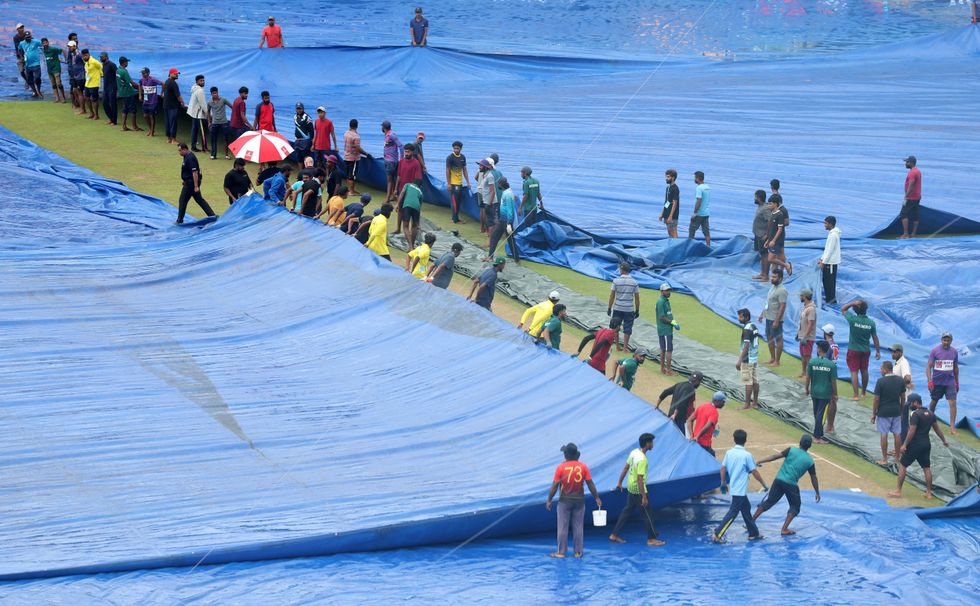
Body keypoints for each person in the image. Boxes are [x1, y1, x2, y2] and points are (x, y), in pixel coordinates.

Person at [753, 435, 821, 536]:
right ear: (810, 446)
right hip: (791, 484)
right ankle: (784, 529)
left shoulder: (791, 450)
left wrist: (760, 461)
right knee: (795, 506)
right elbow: (813, 478)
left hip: (778, 480)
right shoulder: (810, 461)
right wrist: (817, 492)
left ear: (799, 442)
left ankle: (751, 520)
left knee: (769, 501)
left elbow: (774, 457)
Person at [546, 442, 601, 559]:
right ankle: (578, 552)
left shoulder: (560, 467)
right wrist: (596, 497)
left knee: (562, 527)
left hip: (564, 501)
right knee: (578, 527)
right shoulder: (583, 467)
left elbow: (555, 485)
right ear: (576, 454)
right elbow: (590, 483)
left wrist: (549, 499)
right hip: (579, 501)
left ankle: (561, 552)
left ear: (566, 455)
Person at [608, 433, 665, 546]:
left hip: (631, 488)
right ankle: (651, 539)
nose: (653, 444)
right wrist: (643, 496)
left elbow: (626, 467)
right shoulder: (642, 460)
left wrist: (619, 482)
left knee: (627, 511)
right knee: (647, 513)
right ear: (647, 444)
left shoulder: (634, 452)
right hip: (639, 490)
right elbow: (640, 478)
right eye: (651, 442)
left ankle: (614, 534)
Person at [889, 393, 949, 500]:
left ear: (916, 403)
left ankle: (898, 491)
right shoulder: (930, 413)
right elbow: (937, 429)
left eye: (910, 403)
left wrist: (904, 444)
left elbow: (912, 430)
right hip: (926, 444)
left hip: (914, 445)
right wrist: (944, 440)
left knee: (903, 465)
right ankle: (929, 493)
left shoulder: (915, 414)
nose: (909, 405)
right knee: (926, 468)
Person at [712, 429, 768, 544]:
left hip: (735, 487)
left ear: (734, 439)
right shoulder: (747, 455)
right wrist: (764, 484)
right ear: (745, 440)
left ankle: (753, 533)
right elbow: (754, 472)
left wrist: (723, 483)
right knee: (733, 513)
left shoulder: (729, 453)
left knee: (746, 510)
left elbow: (723, 468)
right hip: (739, 490)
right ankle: (718, 533)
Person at [841, 299, 881, 400]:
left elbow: (843, 309)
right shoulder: (871, 323)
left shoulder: (853, 319)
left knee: (854, 371)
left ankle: (855, 395)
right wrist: (878, 351)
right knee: (864, 370)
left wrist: (852, 303)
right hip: (865, 350)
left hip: (853, 350)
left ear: (855, 310)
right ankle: (863, 392)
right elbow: (875, 337)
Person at [873, 360, 906, 465]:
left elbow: (876, 399)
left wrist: (874, 413)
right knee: (897, 434)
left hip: (883, 412)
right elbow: (903, 397)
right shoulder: (900, 380)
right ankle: (897, 458)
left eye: (881, 369)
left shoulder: (880, 381)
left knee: (884, 434)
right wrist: (901, 410)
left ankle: (884, 459)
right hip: (896, 411)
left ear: (886, 369)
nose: (880, 370)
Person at [927, 331, 959, 434]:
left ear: (951, 341)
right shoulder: (935, 351)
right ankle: (929, 421)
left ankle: (952, 427)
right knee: (934, 402)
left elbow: (955, 367)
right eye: (944, 340)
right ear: (941, 340)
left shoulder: (954, 352)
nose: (946, 342)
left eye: (948, 340)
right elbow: (928, 367)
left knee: (953, 402)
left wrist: (957, 382)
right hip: (937, 382)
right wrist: (930, 381)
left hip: (950, 382)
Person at [806, 341, 838, 442]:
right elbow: (833, 381)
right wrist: (835, 393)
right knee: (821, 414)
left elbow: (808, 377)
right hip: (825, 394)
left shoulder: (812, 362)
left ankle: (818, 434)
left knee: (817, 413)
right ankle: (817, 437)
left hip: (814, 392)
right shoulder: (831, 365)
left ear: (819, 349)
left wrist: (806, 388)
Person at [176, 143, 216, 224]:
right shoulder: (186, 157)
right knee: (199, 200)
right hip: (189, 182)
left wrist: (196, 186)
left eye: (180, 150)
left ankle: (179, 220)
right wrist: (184, 179)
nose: (179, 152)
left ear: (185, 149)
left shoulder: (190, 158)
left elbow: (195, 172)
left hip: (191, 184)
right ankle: (212, 215)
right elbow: (188, 171)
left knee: (182, 200)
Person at [486, 177, 520, 263]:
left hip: (506, 221)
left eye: (498, 184)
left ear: (501, 184)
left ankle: (516, 259)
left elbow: (510, 209)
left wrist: (509, 223)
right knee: (494, 236)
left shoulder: (507, 194)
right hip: (502, 220)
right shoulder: (507, 192)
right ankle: (490, 256)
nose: (497, 185)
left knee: (511, 240)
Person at [608, 262, 640, 351]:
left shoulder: (616, 281)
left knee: (615, 326)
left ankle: (617, 346)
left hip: (617, 307)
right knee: (628, 328)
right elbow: (637, 298)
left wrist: (609, 308)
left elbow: (612, 296)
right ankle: (625, 348)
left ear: (621, 270)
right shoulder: (634, 282)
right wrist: (637, 310)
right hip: (629, 309)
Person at [759, 269, 788, 367]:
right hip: (768, 318)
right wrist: (762, 313)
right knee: (769, 338)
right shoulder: (772, 287)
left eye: (774, 277)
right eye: (772, 276)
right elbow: (768, 302)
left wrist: (777, 321)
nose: (772, 278)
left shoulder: (782, 290)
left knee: (778, 339)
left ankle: (777, 361)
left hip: (776, 319)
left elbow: (782, 306)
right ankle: (772, 358)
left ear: (780, 278)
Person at [736, 308, 761, 410]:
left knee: (748, 381)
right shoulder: (753, 326)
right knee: (755, 380)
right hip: (754, 357)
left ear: (746, 317)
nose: (739, 318)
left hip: (748, 358)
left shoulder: (746, 329)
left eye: (741, 316)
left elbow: (746, 345)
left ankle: (746, 405)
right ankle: (754, 403)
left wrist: (739, 360)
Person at [763, 194, 792, 276]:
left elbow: (780, 229)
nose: (768, 205)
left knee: (771, 258)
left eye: (770, 204)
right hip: (772, 239)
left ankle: (786, 265)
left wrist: (773, 240)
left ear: (775, 204)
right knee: (777, 256)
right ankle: (777, 274)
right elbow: (772, 229)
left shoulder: (780, 214)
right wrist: (768, 240)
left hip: (776, 241)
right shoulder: (773, 213)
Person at [690, 392, 726, 457]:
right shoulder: (714, 412)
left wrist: (692, 436)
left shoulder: (702, 406)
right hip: (704, 443)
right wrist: (697, 437)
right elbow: (708, 425)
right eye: (723, 402)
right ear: (717, 401)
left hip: (696, 441)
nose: (724, 404)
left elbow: (689, 420)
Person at [343, 119, 371, 196]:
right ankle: (351, 191)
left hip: (346, 156)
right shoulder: (356, 136)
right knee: (352, 175)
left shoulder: (346, 133)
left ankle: (349, 190)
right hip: (353, 158)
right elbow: (357, 148)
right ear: (357, 126)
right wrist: (366, 154)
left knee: (348, 174)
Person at [818, 216, 840, 304]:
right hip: (828, 262)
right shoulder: (832, 234)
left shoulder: (833, 235)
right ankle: (829, 299)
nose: (824, 225)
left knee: (829, 283)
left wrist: (824, 262)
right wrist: (822, 259)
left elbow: (830, 251)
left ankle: (831, 300)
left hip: (830, 263)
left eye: (826, 223)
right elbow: (826, 250)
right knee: (826, 281)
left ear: (830, 224)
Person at [397, 178, 424, 250]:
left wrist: (397, 204)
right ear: (420, 186)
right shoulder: (421, 192)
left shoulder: (408, 185)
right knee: (415, 226)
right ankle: (412, 244)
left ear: (413, 182)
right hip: (416, 208)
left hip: (407, 205)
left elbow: (402, 193)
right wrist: (418, 223)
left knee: (405, 227)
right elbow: (419, 206)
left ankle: (410, 246)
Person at [445, 141, 469, 224]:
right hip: (453, 183)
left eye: (457, 148)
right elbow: (447, 170)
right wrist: (448, 183)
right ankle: (455, 220)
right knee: (454, 201)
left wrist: (468, 182)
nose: (456, 150)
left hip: (460, 183)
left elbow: (464, 170)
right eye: (454, 148)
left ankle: (455, 218)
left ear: (461, 149)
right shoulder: (450, 158)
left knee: (458, 201)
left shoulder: (463, 157)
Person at [751, 189, 772, 280]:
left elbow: (769, 221)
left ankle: (766, 275)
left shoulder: (765, 208)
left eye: (755, 197)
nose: (754, 198)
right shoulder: (760, 207)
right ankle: (762, 273)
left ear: (759, 198)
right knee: (761, 255)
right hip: (758, 234)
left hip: (762, 235)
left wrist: (767, 235)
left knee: (765, 255)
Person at [206, 86, 232, 159]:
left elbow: (232, 106)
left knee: (225, 139)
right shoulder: (209, 102)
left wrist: (233, 117)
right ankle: (213, 155)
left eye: (216, 93)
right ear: (211, 94)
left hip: (224, 122)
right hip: (214, 123)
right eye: (213, 93)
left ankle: (226, 155)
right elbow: (208, 112)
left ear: (218, 92)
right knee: (213, 139)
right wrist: (209, 122)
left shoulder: (223, 100)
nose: (215, 94)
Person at [656, 283, 676, 375]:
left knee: (664, 349)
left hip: (666, 329)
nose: (668, 292)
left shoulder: (666, 301)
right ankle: (668, 370)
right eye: (666, 290)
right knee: (668, 350)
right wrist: (671, 322)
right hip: (665, 330)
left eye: (669, 290)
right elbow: (662, 317)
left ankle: (663, 368)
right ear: (662, 291)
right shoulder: (661, 302)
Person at [380, 120, 403, 202]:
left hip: (391, 161)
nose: (381, 128)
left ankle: (387, 198)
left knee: (389, 180)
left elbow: (401, 146)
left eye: (382, 127)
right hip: (388, 160)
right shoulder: (387, 135)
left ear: (384, 127)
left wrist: (401, 159)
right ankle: (393, 195)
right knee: (392, 179)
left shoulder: (391, 135)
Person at [797, 287, 817, 379]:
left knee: (807, 355)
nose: (800, 297)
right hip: (802, 336)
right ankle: (803, 372)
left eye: (801, 295)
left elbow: (810, 323)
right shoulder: (805, 307)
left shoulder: (811, 309)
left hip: (808, 337)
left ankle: (809, 374)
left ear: (805, 296)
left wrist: (805, 335)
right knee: (802, 355)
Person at [138, 67, 163, 137]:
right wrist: (140, 95)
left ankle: (152, 131)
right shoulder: (141, 80)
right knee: (145, 116)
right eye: (142, 73)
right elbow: (139, 85)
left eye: (144, 73)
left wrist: (162, 93)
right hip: (145, 101)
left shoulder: (153, 79)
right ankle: (150, 129)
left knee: (152, 116)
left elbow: (163, 83)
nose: (143, 74)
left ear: (148, 73)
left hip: (153, 101)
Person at [186, 74, 208, 152]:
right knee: (202, 131)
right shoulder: (200, 91)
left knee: (194, 130)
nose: (203, 82)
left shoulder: (194, 88)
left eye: (203, 80)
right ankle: (204, 147)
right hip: (198, 114)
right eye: (201, 81)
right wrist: (208, 114)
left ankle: (193, 146)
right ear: (197, 82)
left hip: (194, 113)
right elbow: (203, 104)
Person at [116, 56, 139, 130]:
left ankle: (124, 126)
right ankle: (134, 127)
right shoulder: (124, 71)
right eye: (127, 62)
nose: (127, 63)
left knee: (124, 109)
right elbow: (131, 82)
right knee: (133, 109)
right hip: (128, 92)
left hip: (122, 92)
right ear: (124, 62)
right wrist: (140, 87)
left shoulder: (118, 70)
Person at [689, 171, 711, 246]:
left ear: (698, 178)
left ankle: (689, 246)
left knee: (692, 230)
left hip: (699, 214)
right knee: (706, 232)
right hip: (706, 213)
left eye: (694, 178)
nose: (694, 179)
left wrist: (695, 212)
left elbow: (699, 200)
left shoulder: (699, 188)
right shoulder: (707, 187)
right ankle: (708, 246)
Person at [901, 156, 921, 239]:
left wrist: (906, 196)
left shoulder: (912, 172)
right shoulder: (918, 171)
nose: (906, 164)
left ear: (911, 163)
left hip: (910, 197)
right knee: (915, 215)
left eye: (907, 162)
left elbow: (911, 184)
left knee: (903, 214)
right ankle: (913, 234)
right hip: (917, 197)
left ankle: (905, 234)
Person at [162, 68, 184, 144]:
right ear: (170, 74)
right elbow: (178, 96)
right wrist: (183, 103)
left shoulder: (167, 81)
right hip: (172, 106)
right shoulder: (173, 83)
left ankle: (168, 138)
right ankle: (173, 139)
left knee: (168, 122)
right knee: (173, 122)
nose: (177, 75)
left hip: (166, 105)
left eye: (177, 74)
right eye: (175, 74)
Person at [17, 30, 42, 98]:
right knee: (29, 80)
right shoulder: (22, 43)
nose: (29, 38)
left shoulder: (36, 41)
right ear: (24, 37)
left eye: (29, 37)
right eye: (27, 37)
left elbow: (44, 45)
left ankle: (39, 90)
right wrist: (21, 57)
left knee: (37, 78)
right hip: (28, 65)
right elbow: (19, 49)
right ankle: (35, 92)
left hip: (36, 64)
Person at [41, 38, 66, 103]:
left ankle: (63, 98)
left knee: (59, 84)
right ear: (42, 44)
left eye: (46, 42)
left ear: (48, 43)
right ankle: (57, 99)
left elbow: (63, 50)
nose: (45, 44)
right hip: (49, 70)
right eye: (43, 43)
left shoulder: (52, 49)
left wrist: (66, 59)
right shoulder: (43, 50)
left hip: (56, 68)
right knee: (53, 84)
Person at [81, 49, 102, 120]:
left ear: (88, 55)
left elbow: (101, 67)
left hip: (94, 83)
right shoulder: (86, 63)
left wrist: (101, 75)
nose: (84, 58)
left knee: (94, 99)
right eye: (83, 56)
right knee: (86, 98)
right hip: (87, 83)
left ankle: (96, 115)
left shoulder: (95, 62)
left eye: (85, 56)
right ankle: (91, 113)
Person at [659, 169, 680, 238]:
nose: (666, 178)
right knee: (669, 232)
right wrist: (662, 214)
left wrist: (671, 216)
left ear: (673, 177)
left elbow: (675, 203)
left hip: (673, 215)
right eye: (666, 177)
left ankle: (677, 246)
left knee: (673, 231)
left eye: (668, 177)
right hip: (667, 213)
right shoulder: (668, 188)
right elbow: (667, 202)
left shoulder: (675, 188)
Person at [476, 158, 495, 233]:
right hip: (485, 197)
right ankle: (486, 230)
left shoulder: (488, 175)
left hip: (485, 197)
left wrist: (489, 203)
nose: (479, 167)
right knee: (485, 213)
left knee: (484, 213)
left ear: (485, 167)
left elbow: (492, 191)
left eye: (481, 166)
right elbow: (491, 190)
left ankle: (485, 230)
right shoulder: (486, 174)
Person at [99, 52, 117, 125]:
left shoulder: (112, 64)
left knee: (113, 104)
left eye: (102, 57)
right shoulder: (103, 65)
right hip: (106, 87)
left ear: (106, 57)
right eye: (100, 57)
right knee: (104, 103)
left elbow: (117, 74)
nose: (100, 58)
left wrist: (116, 86)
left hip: (112, 87)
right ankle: (111, 118)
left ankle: (114, 121)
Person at [67, 41, 86, 111]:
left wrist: (84, 71)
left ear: (74, 46)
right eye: (68, 47)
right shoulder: (73, 54)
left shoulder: (79, 54)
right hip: (75, 75)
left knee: (79, 92)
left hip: (80, 76)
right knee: (74, 91)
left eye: (70, 46)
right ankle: (81, 107)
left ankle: (82, 109)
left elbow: (86, 62)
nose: (69, 48)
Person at [13, 23, 28, 91]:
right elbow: (17, 48)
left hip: (27, 55)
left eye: (22, 28)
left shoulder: (26, 34)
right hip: (20, 56)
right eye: (20, 28)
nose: (22, 29)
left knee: (28, 69)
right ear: (17, 29)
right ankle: (27, 80)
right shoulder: (15, 37)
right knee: (22, 71)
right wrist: (21, 56)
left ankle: (29, 82)